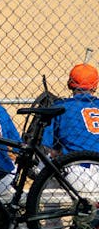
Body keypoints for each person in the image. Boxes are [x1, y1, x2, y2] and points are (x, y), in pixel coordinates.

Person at [42, 64, 99, 192]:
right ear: (95, 86)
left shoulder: (61, 107)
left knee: (44, 162)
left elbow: (48, 148)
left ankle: (50, 208)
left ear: (70, 84)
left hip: (76, 175)